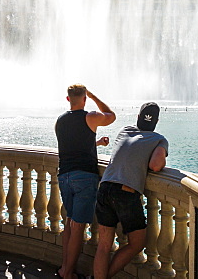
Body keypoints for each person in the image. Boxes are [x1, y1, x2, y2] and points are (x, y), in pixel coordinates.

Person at [93, 102, 169, 279]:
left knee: (104, 245)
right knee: (137, 244)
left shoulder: (124, 130)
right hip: (126, 193)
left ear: (138, 118)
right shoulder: (159, 139)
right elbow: (156, 165)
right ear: (156, 121)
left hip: (105, 188)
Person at [55, 84, 115, 279]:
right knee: (78, 227)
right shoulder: (90, 116)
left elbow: (73, 145)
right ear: (84, 99)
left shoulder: (60, 121)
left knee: (69, 222)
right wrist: (94, 96)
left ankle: (64, 267)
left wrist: (96, 143)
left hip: (64, 176)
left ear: (67, 99)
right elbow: (111, 115)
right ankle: (67, 273)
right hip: (84, 177)